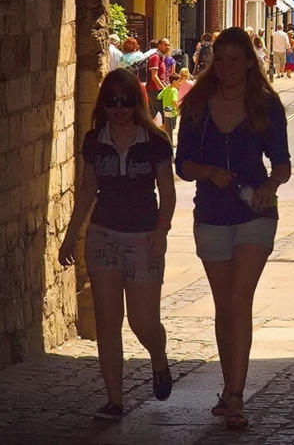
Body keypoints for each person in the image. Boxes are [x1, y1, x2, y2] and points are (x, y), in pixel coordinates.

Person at [176, 27, 291, 430]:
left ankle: (237, 395)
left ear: (248, 62)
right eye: (220, 60)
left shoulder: (265, 104)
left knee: (240, 299)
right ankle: (229, 386)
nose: (226, 67)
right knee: (224, 304)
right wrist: (209, 172)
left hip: (255, 213)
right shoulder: (197, 105)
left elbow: (282, 163)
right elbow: (182, 164)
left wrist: (269, 185)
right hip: (211, 212)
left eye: (234, 59)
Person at [58, 68, 175, 422]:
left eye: (126, 101)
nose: (119, 109)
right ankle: (114, 400)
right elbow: (87, 189)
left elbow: (167, 193)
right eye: (112, 102)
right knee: (108, 321)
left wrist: (161, 232)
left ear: (137, 103)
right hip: (103, 235)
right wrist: (71, 235)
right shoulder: (95, 141)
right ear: (103, 105)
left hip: (143, 237)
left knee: (143, 322)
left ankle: (158, 358)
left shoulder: (155, 141)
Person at [146, 38, 170, 121]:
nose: (168, 47)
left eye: (168, 45)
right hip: (155, 90)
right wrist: (164, 88)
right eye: (165, 45)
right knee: (165, 113)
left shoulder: (161, 57)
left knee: (151, 114)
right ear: (159, 45)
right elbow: (154, 76)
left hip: (158, 89)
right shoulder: (155, 57)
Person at [160, 73, 180, 144]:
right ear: (174, 81)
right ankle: (169, 141)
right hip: (173, 113)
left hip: (165, 112)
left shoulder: (166, 88)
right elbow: (174, 101)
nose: (180, 83)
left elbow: (159, 97)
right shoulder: (174, 90)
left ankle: (166, 140)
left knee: (167, 127)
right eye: (178, 81)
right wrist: (179, 109)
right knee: (172, 127)